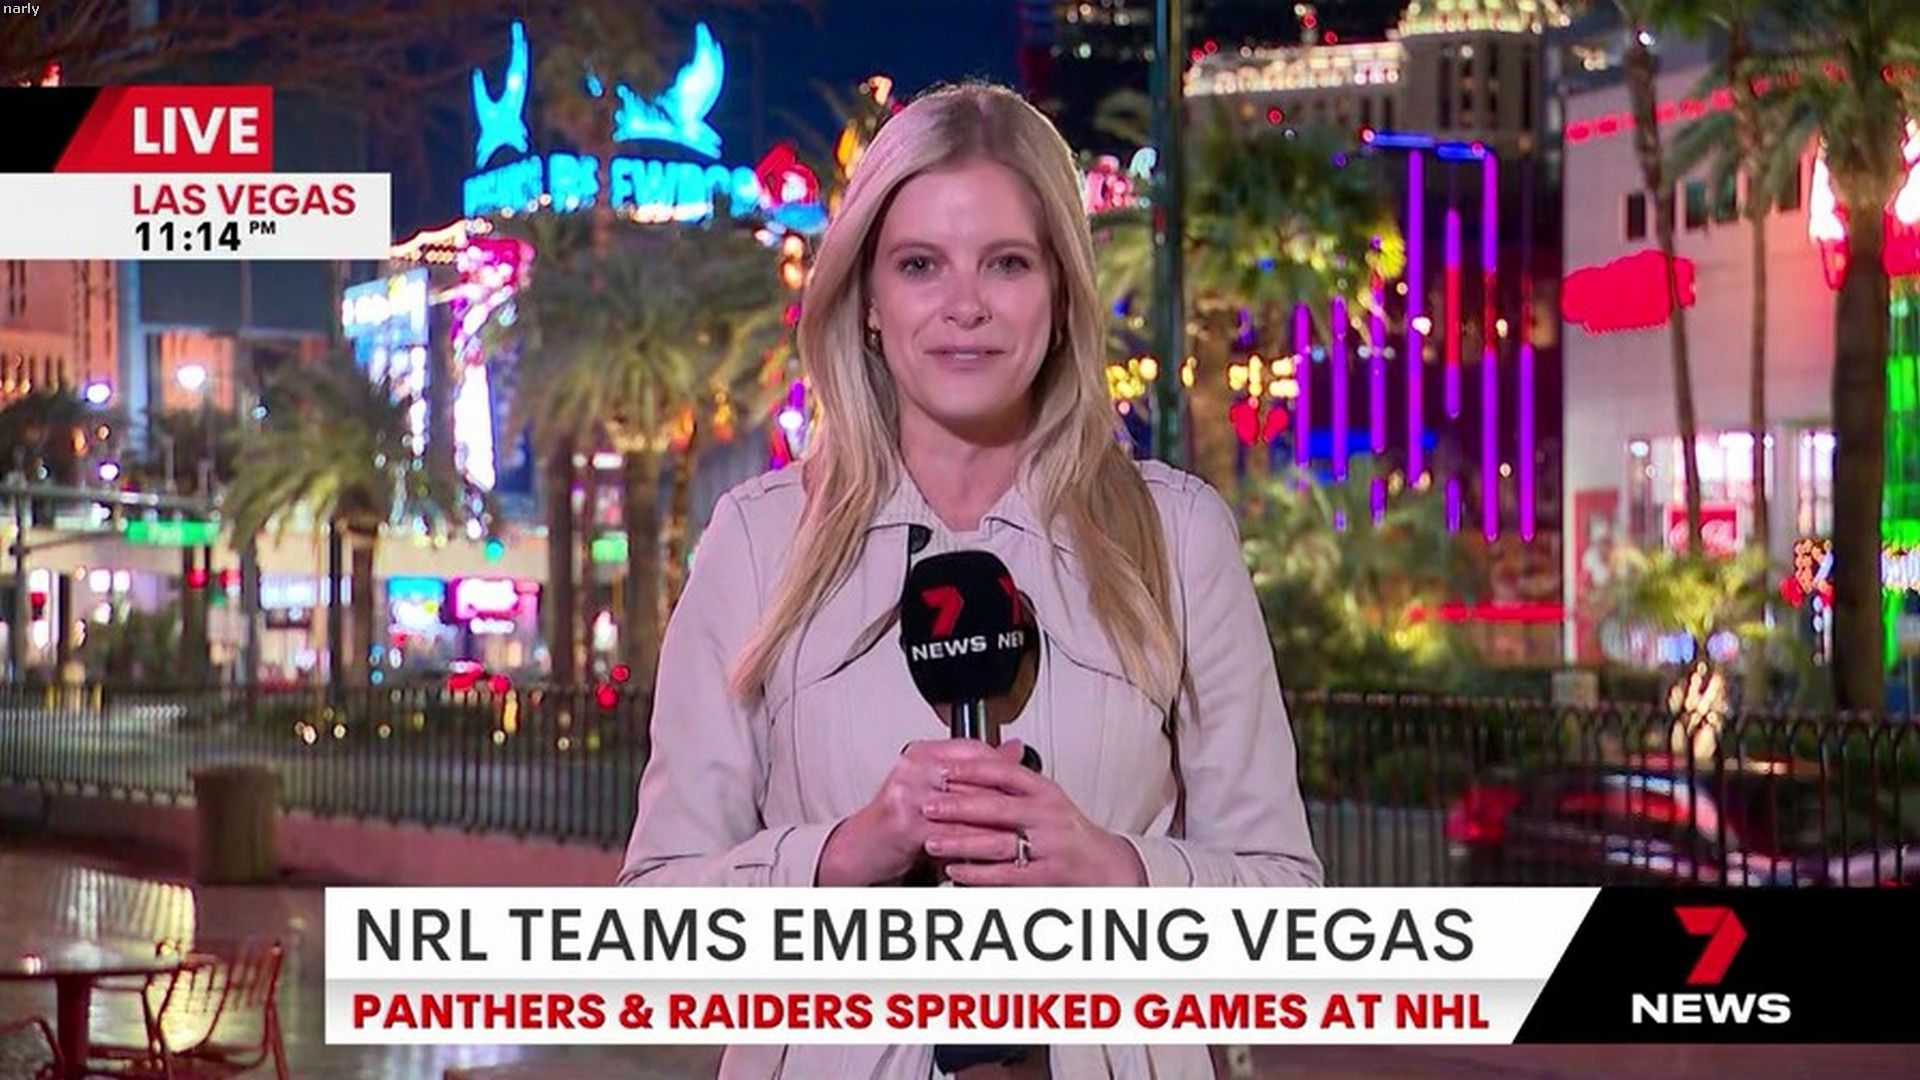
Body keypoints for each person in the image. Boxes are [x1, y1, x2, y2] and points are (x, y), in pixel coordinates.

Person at [620, 81, 1321, 1079]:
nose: (965, 307)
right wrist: (841, 855)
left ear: (1062, 293)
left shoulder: (1178, 537)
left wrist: (1114, 870)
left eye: (1007, 262)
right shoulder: (759, 543)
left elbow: (1289, 922)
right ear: (867, 301)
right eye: (920, 265)